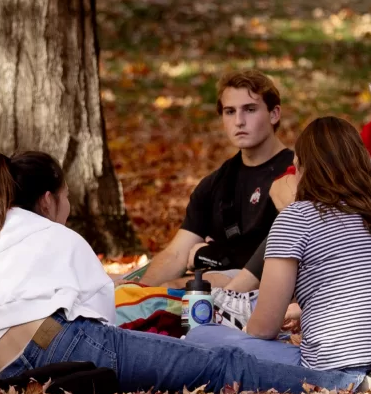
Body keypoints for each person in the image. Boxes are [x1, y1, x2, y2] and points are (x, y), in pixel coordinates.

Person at [0, 149, 371, 393]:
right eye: (66, 199)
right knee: (221, 365)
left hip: (11, 367)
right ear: (48, 199)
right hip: (65, 343)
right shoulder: (54, 236)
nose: (67, 208)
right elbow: (100, 318)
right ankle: (357, 386)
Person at [186, 116, 371, 384]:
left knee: (202, 336)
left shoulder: (298, 217)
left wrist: (249, 328)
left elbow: (264, 327)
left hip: (342, 373)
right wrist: (306, 314)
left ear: (301, 168)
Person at [122, 71, 295, 286]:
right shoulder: (215, 184)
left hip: (277, 288)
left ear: (274, 114)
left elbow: (298, 246)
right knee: (122, 284)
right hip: (221, 281)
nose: (239, 121)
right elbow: (176, 255)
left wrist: (210, 256)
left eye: (250, 110)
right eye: (230, 112)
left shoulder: (297, 172)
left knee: (196, 283)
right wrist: (139, 293)